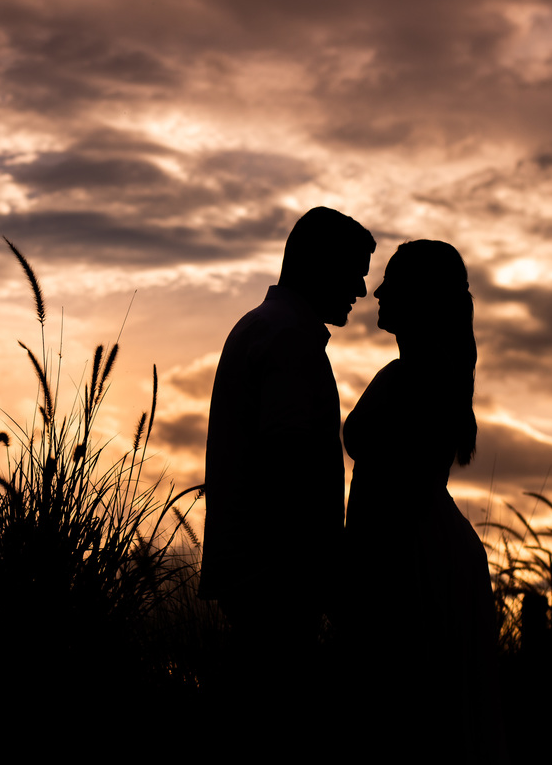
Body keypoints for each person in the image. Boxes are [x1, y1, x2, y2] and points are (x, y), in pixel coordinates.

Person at [199, 206, 374, 745]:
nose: (361, 290)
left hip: (261, 577)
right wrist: (326, 581)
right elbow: (289, 468)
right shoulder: (289, 340)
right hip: (276, 582)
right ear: (320, 265)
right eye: (353, 272)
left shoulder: (264, 328)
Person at [343, 240, 505, 762]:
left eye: (392, 282)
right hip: (422, 544)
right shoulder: (425, 371)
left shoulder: (418, 376)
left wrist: (360, 569)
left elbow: (398, 489)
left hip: (412, 553)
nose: (377, 292)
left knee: (412, 714)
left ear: (419, 296)